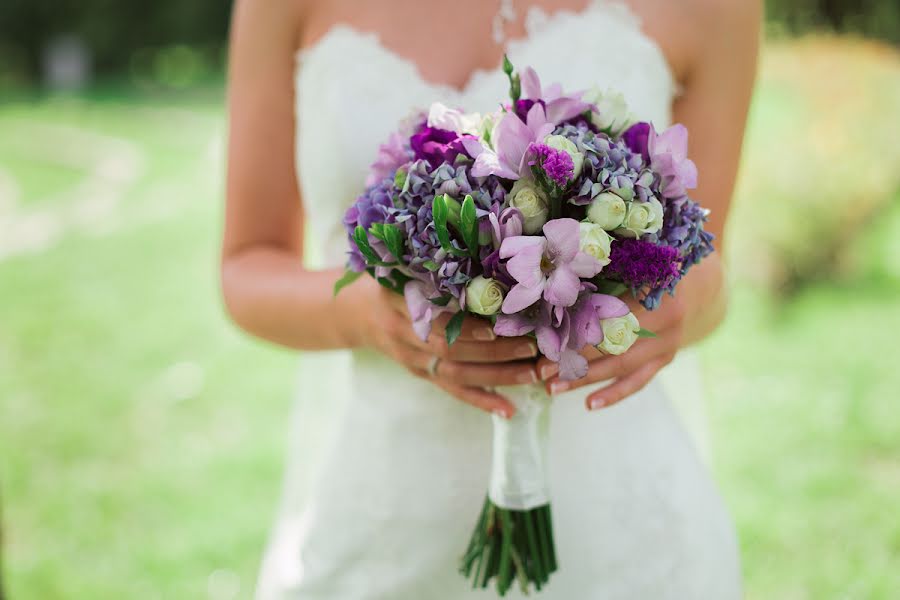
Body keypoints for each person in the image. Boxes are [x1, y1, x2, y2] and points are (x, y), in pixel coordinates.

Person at [221, 0, 760, 597]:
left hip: (618, 519)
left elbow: (708, 265)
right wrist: (368, 314)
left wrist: (665, 304)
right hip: (387, 515)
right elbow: (246, 267)